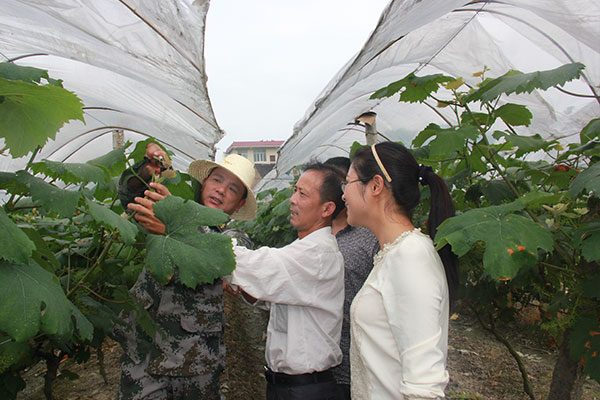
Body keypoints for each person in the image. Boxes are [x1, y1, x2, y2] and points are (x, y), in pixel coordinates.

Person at [114, 142, 258, 400]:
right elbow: (130, 198)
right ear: (204, 183)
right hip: (143, 349)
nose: (221, 190)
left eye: (232, 189)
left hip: (194, 360)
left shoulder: (234, 237)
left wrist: (172, 227)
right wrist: (147, 170)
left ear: (239, 204)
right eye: (217, 180)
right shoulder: (170, 210)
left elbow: (223, 256)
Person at [341, 142, 458, 399]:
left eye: (347, 184)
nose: (343, 195)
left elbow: (424, 384)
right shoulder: (394, 253)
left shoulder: (411, 256)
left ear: (375, 186)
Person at [227, 162, 346, 400]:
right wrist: (250, 290)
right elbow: (276, 297)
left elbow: (258, 267)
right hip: (290, 386)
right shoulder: (304, 248)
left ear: (327, 209)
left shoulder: (317, 253)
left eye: (303, 194)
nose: (293, 200)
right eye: (295, 190)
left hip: (306, 390)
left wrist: (201, 233)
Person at [324, 157, 379, 400]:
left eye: (340, 183)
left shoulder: (370, 238)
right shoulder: (313, 234)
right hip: (318, 364)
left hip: (356, 365)